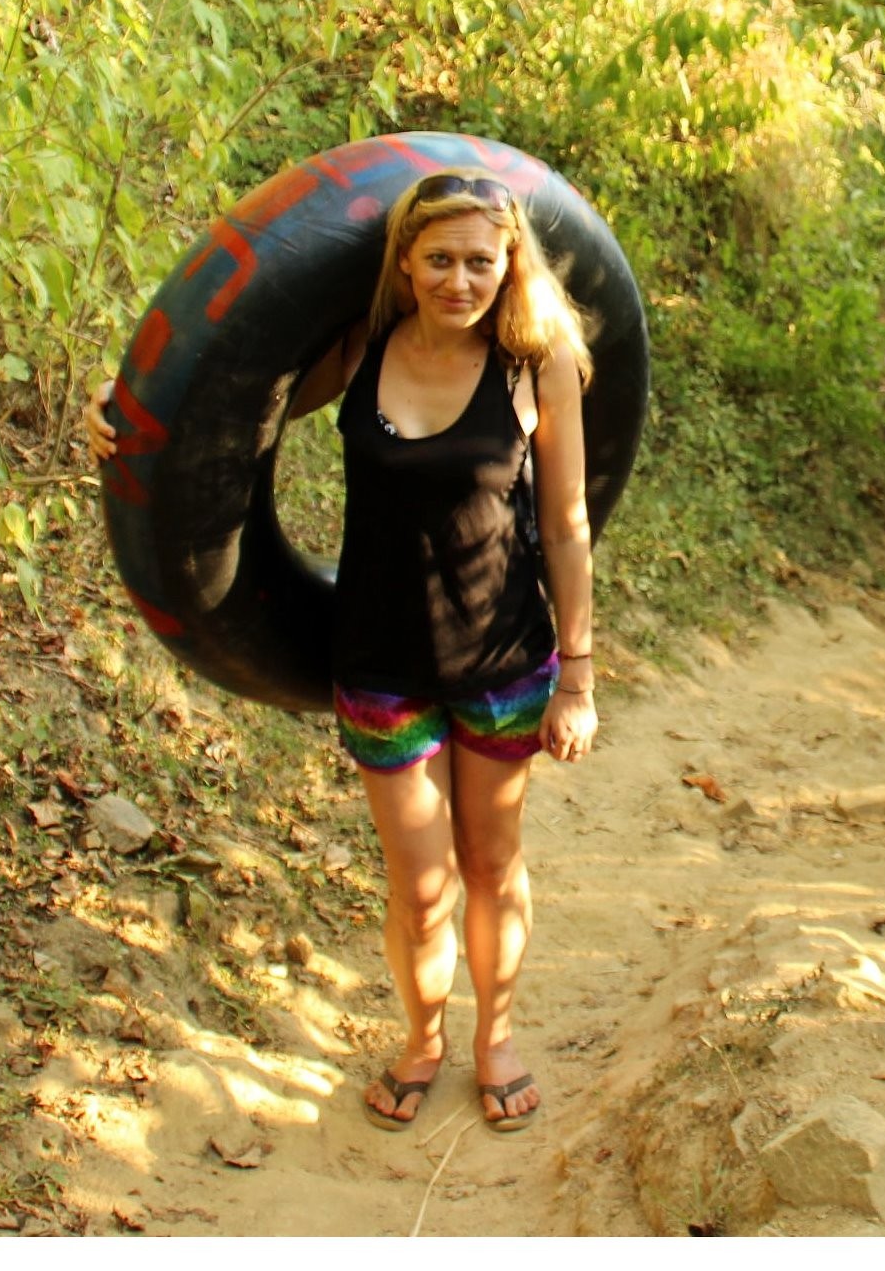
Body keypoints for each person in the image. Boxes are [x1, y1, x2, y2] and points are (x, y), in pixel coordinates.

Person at [86, 169, 599, 1134]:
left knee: (490, 866)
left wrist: (577, 675)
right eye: (439, 259)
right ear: (404, 260)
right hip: (377, 662)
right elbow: (223, 411)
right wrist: (123, 413)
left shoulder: (540, 363)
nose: (459, 280)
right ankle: (424, 1039)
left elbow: (567, 526)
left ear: (508, 264)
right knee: (419, 880)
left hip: (502, 660)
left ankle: (495, 1036)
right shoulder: (362, 348)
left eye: (479, 262)